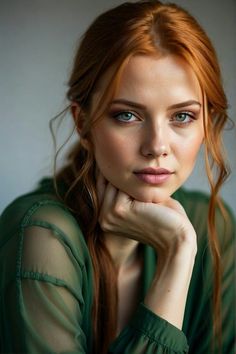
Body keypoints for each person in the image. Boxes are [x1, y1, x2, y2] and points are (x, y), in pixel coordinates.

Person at [0, 1, 235, 353]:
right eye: (126, 115)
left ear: (207, 122)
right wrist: (176, 258)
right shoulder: (42, 236)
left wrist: (185, 246)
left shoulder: (208, 223)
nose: (157, 146)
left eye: (182, 117)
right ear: (83, 123)